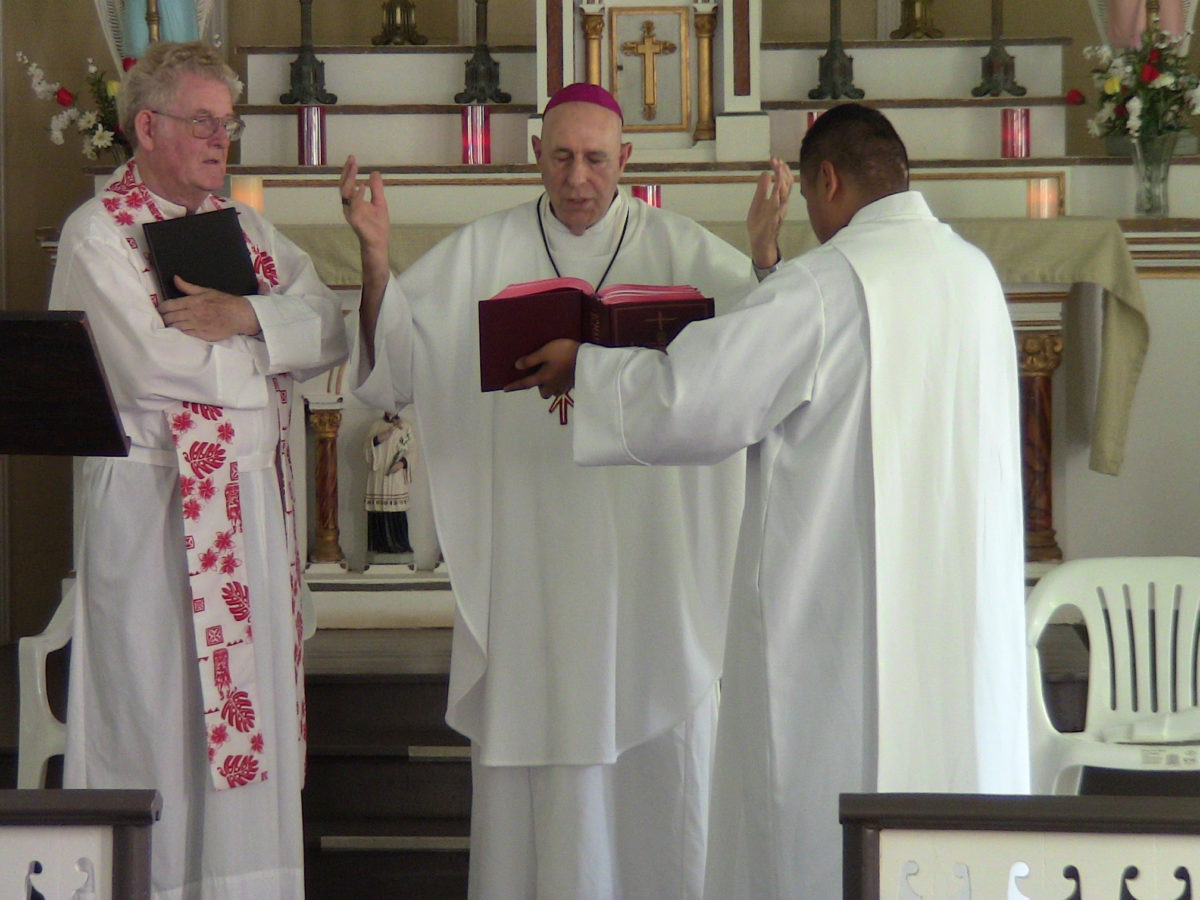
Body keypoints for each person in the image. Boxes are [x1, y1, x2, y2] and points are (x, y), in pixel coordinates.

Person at [511, 102, 1031, 898]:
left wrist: (582, 367)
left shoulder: (828, 286)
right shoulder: (973, 275)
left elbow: (694, 397)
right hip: (961, 626)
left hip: (839, 636)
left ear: (826, 180)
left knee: (821, 839)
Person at [340, 82, 792, 898]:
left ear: (625, 159)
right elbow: (394, 363)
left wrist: (762, 258)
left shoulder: (684, 250)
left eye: (594, 158)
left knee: (660, 759)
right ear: (536, 157)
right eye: (560, 156)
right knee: (541, 745)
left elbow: (761, 359)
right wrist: (376, 261)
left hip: (651, 554)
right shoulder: (481, 251)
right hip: (533, 555)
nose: (577, 177)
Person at [48, 41, 348, 898]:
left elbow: (324, 323)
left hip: (245, 517)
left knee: (242, 734)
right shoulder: (97, 234)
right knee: (159, 719)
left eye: (229, 123)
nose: (224, 139)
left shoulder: (244, 230)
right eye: (204, 121)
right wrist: (267, 361)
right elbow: (145, 367)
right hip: (155, 516)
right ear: (147, 127)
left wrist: (245, 317)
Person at [364, 411, 415, 555]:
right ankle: (380, 545)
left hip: (395, 475)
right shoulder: (377, 425)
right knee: (379, 511)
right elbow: (366, 448)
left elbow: (412, 450)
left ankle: (401, 544)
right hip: (379, 475)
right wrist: (378, 439)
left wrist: (402, 463)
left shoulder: (405, 427)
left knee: (397, 510)